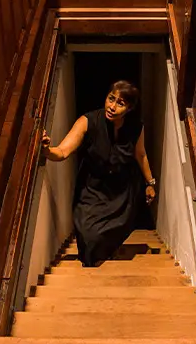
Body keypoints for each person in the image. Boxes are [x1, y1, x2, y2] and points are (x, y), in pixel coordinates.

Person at [42, 80, 157, 267]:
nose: (112, 106)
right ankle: (91, 265)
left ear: (129, 108)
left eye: (120, 103)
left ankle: (103, 257)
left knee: (116, 227)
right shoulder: (87, 121)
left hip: (120, 190)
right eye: (111, 99)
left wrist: (150, 183)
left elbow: (141, 154)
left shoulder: (136, 126)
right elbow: (62, 152)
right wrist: (47, 150)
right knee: (87, 232)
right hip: (91, 187)